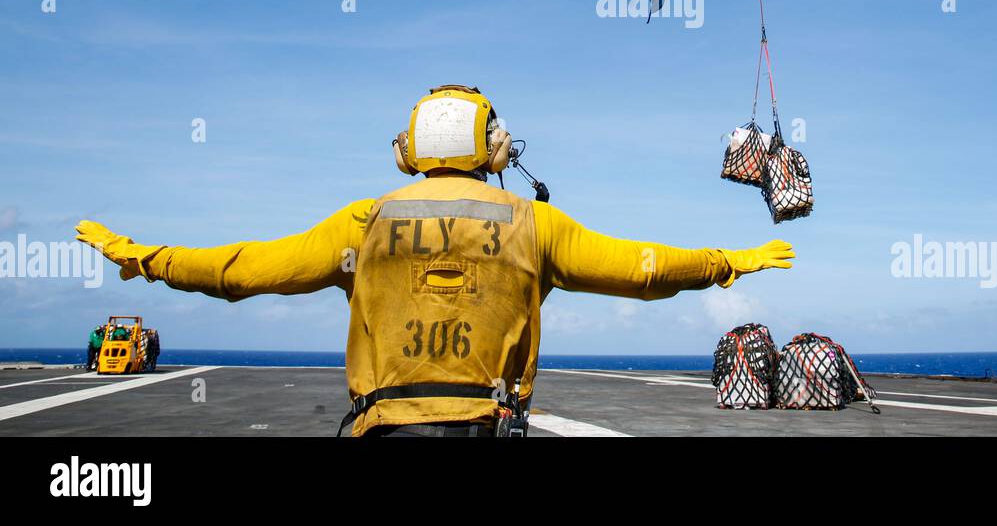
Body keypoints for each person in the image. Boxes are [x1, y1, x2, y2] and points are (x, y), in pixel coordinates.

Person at [77, 85, 795, 437]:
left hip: (383, 429)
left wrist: (147, 258)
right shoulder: (531, 223)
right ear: (497, 150)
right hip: (491, 427)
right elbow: (643, 268)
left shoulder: (367, 221)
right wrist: (726, 262)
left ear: (408, 150)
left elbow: (243, 271)